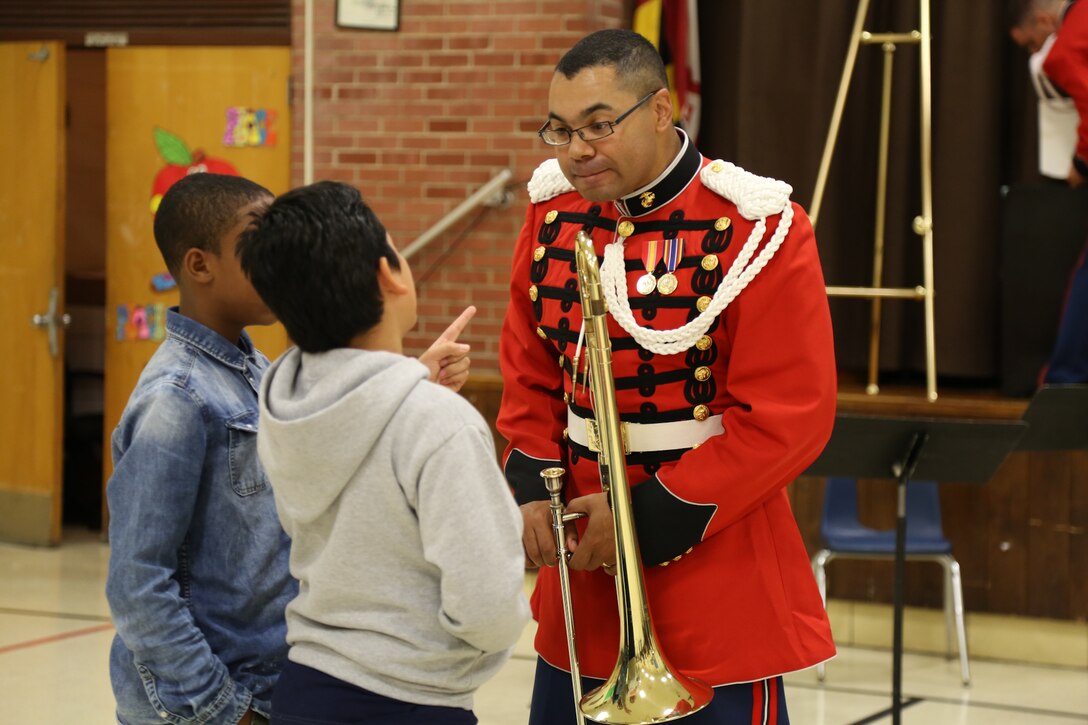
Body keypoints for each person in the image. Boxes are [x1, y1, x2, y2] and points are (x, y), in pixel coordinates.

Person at [497, 29, 837, 724]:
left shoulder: (757, 226)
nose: (576, 150)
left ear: (661, 109)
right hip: (582, 581)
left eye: (599, 125)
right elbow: (530, 373)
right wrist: (534, 490)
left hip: (711, 564)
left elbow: (787, 418)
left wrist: (639, 524)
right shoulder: (552, 215)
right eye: (560, 130)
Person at [105, 173, 478, 725]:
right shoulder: (174, 400)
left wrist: (409, 378)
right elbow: (138, 585)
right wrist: (224, 709)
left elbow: (326, 446)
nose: (280, 263)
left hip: (270, 681)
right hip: (204, 705)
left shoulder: (257, 369)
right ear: (200, 266)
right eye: (259, 247)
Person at [237, 180, 531, 725]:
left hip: (304, 689)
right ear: (388, 272)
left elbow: (353, 426)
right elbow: (488, 605)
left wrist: (413, 379)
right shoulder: (439, 425)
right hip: (411, 701)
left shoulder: (283, 400)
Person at [1010, 0, 1088, 383]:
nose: (1034, 52)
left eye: (1029, 43)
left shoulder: (1064, 48)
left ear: (1044, 20)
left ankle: (1064, 380)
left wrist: (1083, 161)